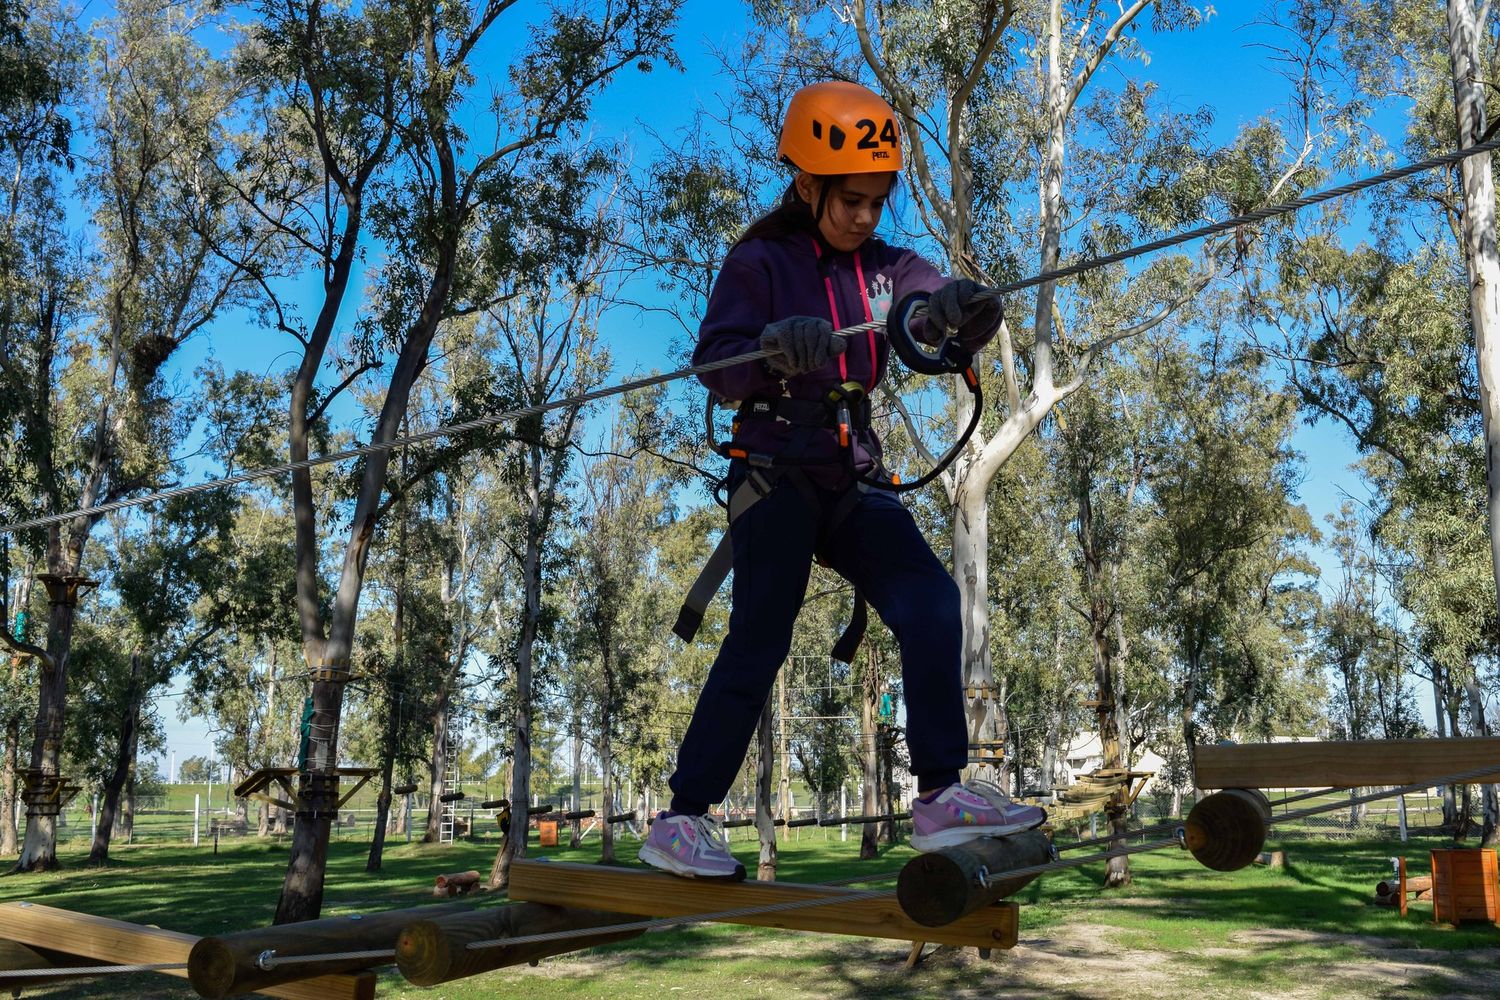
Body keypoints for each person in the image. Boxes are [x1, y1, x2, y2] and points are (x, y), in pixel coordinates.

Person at [638, 81, 1045, 880]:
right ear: (806, 183)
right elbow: (715, 362)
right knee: (762, 633)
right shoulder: (760, 261)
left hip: (853, 475)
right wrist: (768, 347)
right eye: (850, 200)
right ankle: (682, 819)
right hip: (777, 472)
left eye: (877, 200)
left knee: (932, 603)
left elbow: (923, 306)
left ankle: (940, 796)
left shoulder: (890, 268)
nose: (865, 216)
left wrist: (960, 310)